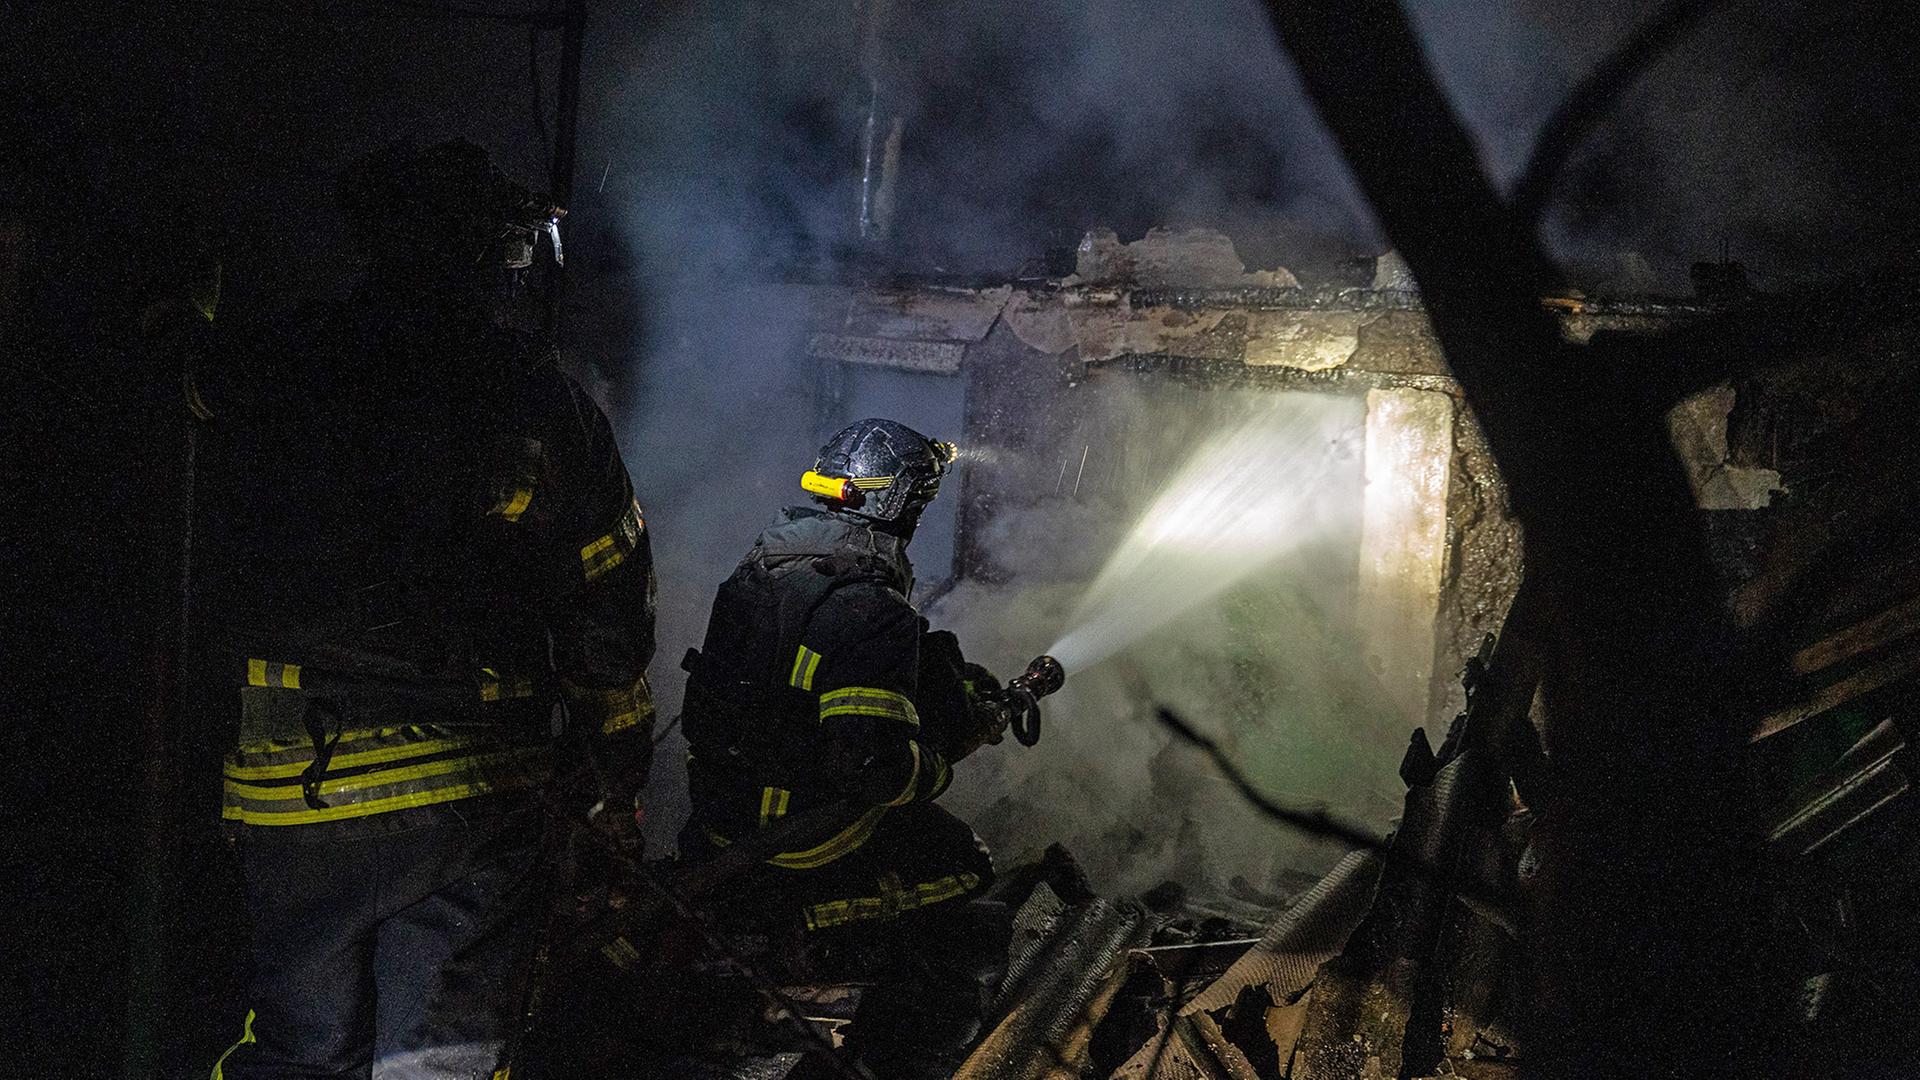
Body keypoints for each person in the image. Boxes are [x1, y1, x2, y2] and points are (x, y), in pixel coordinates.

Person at [197, 139, 656, 1078]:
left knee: (295, 1050)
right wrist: (617, 762)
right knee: (440, 1060)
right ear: (492, 254)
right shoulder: (540, 403)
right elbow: (607, 603)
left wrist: (175, 312)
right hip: (471, 788)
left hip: (292, 786)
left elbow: (193, 377)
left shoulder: (282, 364)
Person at [679, 418, 1010, 1079]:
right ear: (902, 506)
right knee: (963, 866)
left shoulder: (760, 569)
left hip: (719, 818)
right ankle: (886, 1038)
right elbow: (872, 770)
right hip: (795, 842)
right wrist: (938, 762)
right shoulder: (870, 605)